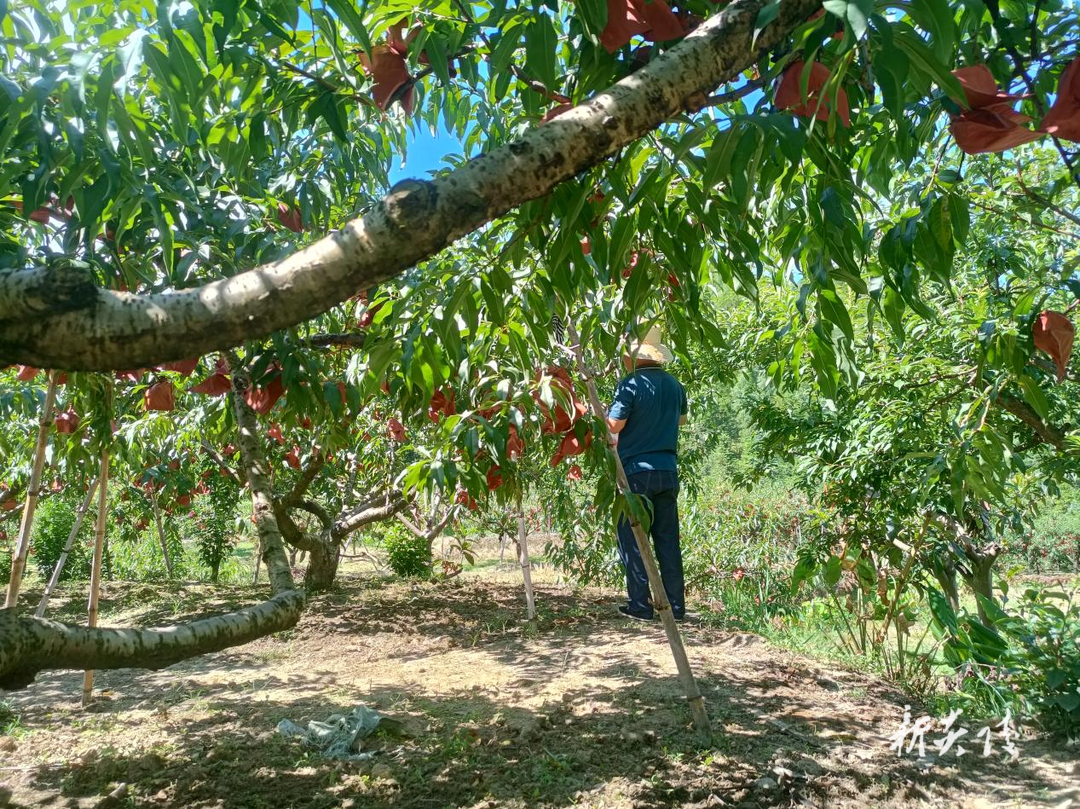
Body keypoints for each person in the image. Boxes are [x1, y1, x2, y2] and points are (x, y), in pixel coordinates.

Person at [606, 325, 688, 622]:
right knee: (667, 541)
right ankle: (676, 607)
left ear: (634, 357)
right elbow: (680, 421)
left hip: (637, 472)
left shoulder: (631, 384)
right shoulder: (675, 385)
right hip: (668, 470)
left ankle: (640, 605)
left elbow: (614, 426)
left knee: (632, 537)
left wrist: (601, 415)